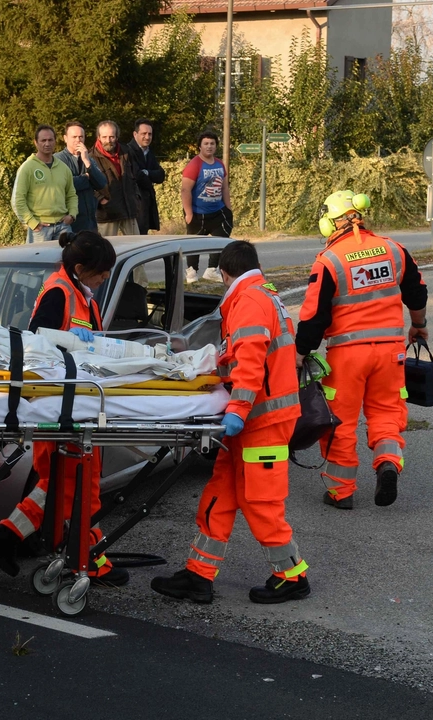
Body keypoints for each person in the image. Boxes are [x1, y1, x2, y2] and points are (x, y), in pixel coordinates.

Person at [150, 240, 309, 604]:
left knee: (260, 502)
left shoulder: (251, 302)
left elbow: (251, 362)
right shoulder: (263, 296)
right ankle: (198, 574)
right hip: (255, 419)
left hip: (260, 420)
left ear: (224, 273)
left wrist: (236, 409)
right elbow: (246, 355)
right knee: (220, 494)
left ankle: (293, 575)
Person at [0, 230, 129, 587]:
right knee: (77, 485)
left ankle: (7, 537)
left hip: (74, 404)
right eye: (102, 271)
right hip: (58, 407)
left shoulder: (81, 295)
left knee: (62, 484)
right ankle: (89, 559)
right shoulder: (60, 293)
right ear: (80, 268)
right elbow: (37, 343)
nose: (106, 277)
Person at [295, 190, 427, 509]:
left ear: (330, 221)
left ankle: (341, 492)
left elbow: (314, 316)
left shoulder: (330, 260)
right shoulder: (394, 249)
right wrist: (419, 325)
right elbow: (417, 292)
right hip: (391, 352)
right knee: (386, 412)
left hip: (347, 355)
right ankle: (387, 462)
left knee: (340, 420)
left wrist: (300, 353)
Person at [11, 125, 77, 244]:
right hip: (40, 229)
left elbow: (71, 195)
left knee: (65, 261)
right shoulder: (27, 168)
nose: (47, 144)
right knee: (37, 262)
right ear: (36, 143)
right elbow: (18, 200)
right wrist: (32, 223)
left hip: (63, 227)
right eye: (43, 140)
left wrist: (72, 215)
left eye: (50, 140)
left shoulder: (64, 168)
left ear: (55, 141)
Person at [181, 129, 232, 283]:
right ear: (200, 147)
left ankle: (211, 270)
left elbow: (224, 187)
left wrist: (228, 209)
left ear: (216, 146)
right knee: (194, 244)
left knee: (221, 241)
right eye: (206, 144)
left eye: (212, 143)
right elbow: (185, 189)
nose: (209, 146)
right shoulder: (194, 164)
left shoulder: (219, 164)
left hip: (217, 211)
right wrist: (188, 213)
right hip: (198, 213)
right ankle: (191, 272)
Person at [91, 120, 141, 237]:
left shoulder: (127, 152)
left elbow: (135, 176)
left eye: (112, 137)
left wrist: (136, 197)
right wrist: (101, 200)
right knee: (106, 249)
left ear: (117, 137)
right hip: (107, 213)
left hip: (128, 210)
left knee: (137, 246)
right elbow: (89, 184)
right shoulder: (90, 157)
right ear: (98, 137)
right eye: (104, 137)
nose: (108, 140)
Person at [56, 122, 107, 232]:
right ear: (65, 138)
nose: (78, 140)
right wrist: (87, 178)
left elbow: (101, 183)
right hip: (69, 223)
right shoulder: (58, 160)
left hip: (90, 222)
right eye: (74, 137)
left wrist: (86, 161)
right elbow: (65, 185)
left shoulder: (88, 159)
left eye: (81, 136)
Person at [126, 118, 165, 234]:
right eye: (144, 134)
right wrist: (150, 177)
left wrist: (147, 173)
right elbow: (137, 176)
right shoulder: (128, 151)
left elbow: (161, 175)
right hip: (135, 203)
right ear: (135, 134)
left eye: (150, 134)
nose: (147, 137)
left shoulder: (149, 152)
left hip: (146, 203)